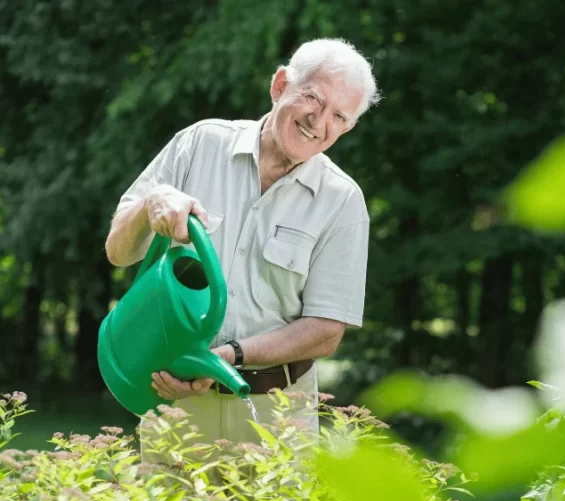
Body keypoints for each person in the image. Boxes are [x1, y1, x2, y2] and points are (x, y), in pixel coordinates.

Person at [104, 37, 380, 451]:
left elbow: (325, 331)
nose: (318, 122)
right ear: (280, 85)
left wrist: (227, 357)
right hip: (176, 403)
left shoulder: (342, 201)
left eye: (338, 116)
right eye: (313, 98)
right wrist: (151, 204)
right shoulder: (199, 145)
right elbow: (119, 252)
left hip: (277, 413)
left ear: (348, 127)